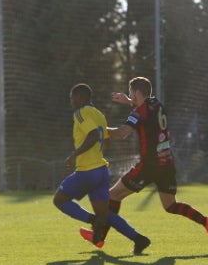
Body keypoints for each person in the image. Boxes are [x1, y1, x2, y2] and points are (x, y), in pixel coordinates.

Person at [81, 77, 208, 246]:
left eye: (131, 92)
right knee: (170, 205)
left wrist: (100, 130)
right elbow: (145, 111)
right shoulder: (157, 104)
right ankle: (207, 222)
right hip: (167, 163)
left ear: (137, 92)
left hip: (149, 166)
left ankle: (100, 237)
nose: (130, 94)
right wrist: (129, 101)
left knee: (113, 196)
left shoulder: (138, 113)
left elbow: (123, 132)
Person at [53, 83, 151, 254]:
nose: (71, 102)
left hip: (87, 171)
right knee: (105, 214)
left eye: (72, 98)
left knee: (59, 200)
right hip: (101, 171)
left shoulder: (80, 113)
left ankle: (93, 220)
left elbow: (92, 135)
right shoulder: (99, 114)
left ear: (79, 98)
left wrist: (74, 155)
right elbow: (105, 142)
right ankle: (139, 239)